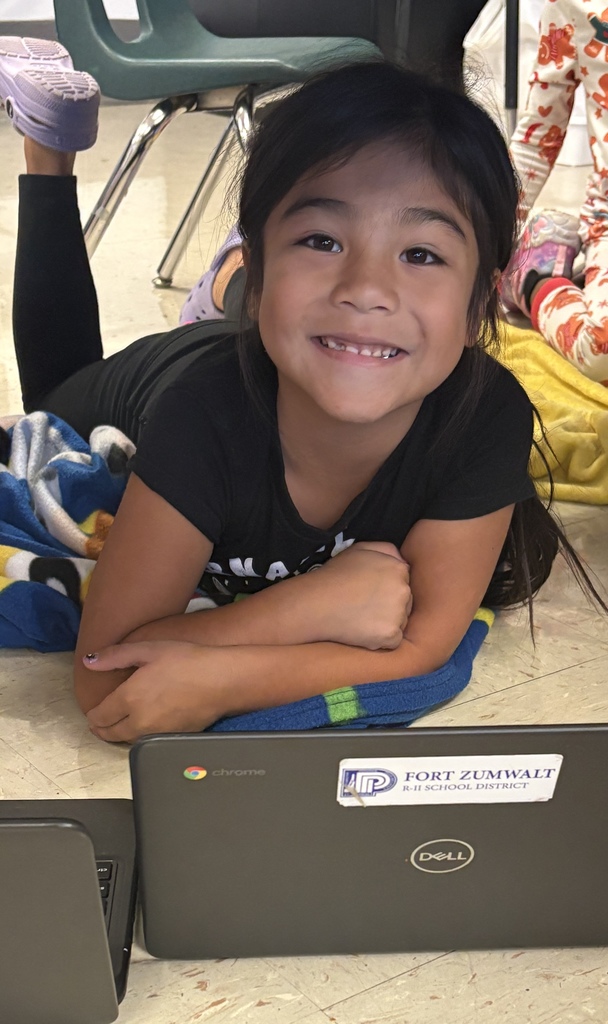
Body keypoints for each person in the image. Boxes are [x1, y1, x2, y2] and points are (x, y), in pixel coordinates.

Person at [2, 38, 599, 743]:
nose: (368, 288)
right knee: (53, 399)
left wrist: (224, 674)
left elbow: (422, 645)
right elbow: (105, 676)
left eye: (421, 253)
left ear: (479, 306)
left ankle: (243, 280)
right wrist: (304, 607)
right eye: (323, 240)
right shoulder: (203, 417)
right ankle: (49, 156)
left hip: (282, 346)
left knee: (325, 332)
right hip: (143, 387)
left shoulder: (483, 410)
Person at [500, 0, 608, 385]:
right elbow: (537, 138)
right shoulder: (573, 5)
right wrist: (490, 242)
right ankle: (533, 277)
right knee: (603, 354)